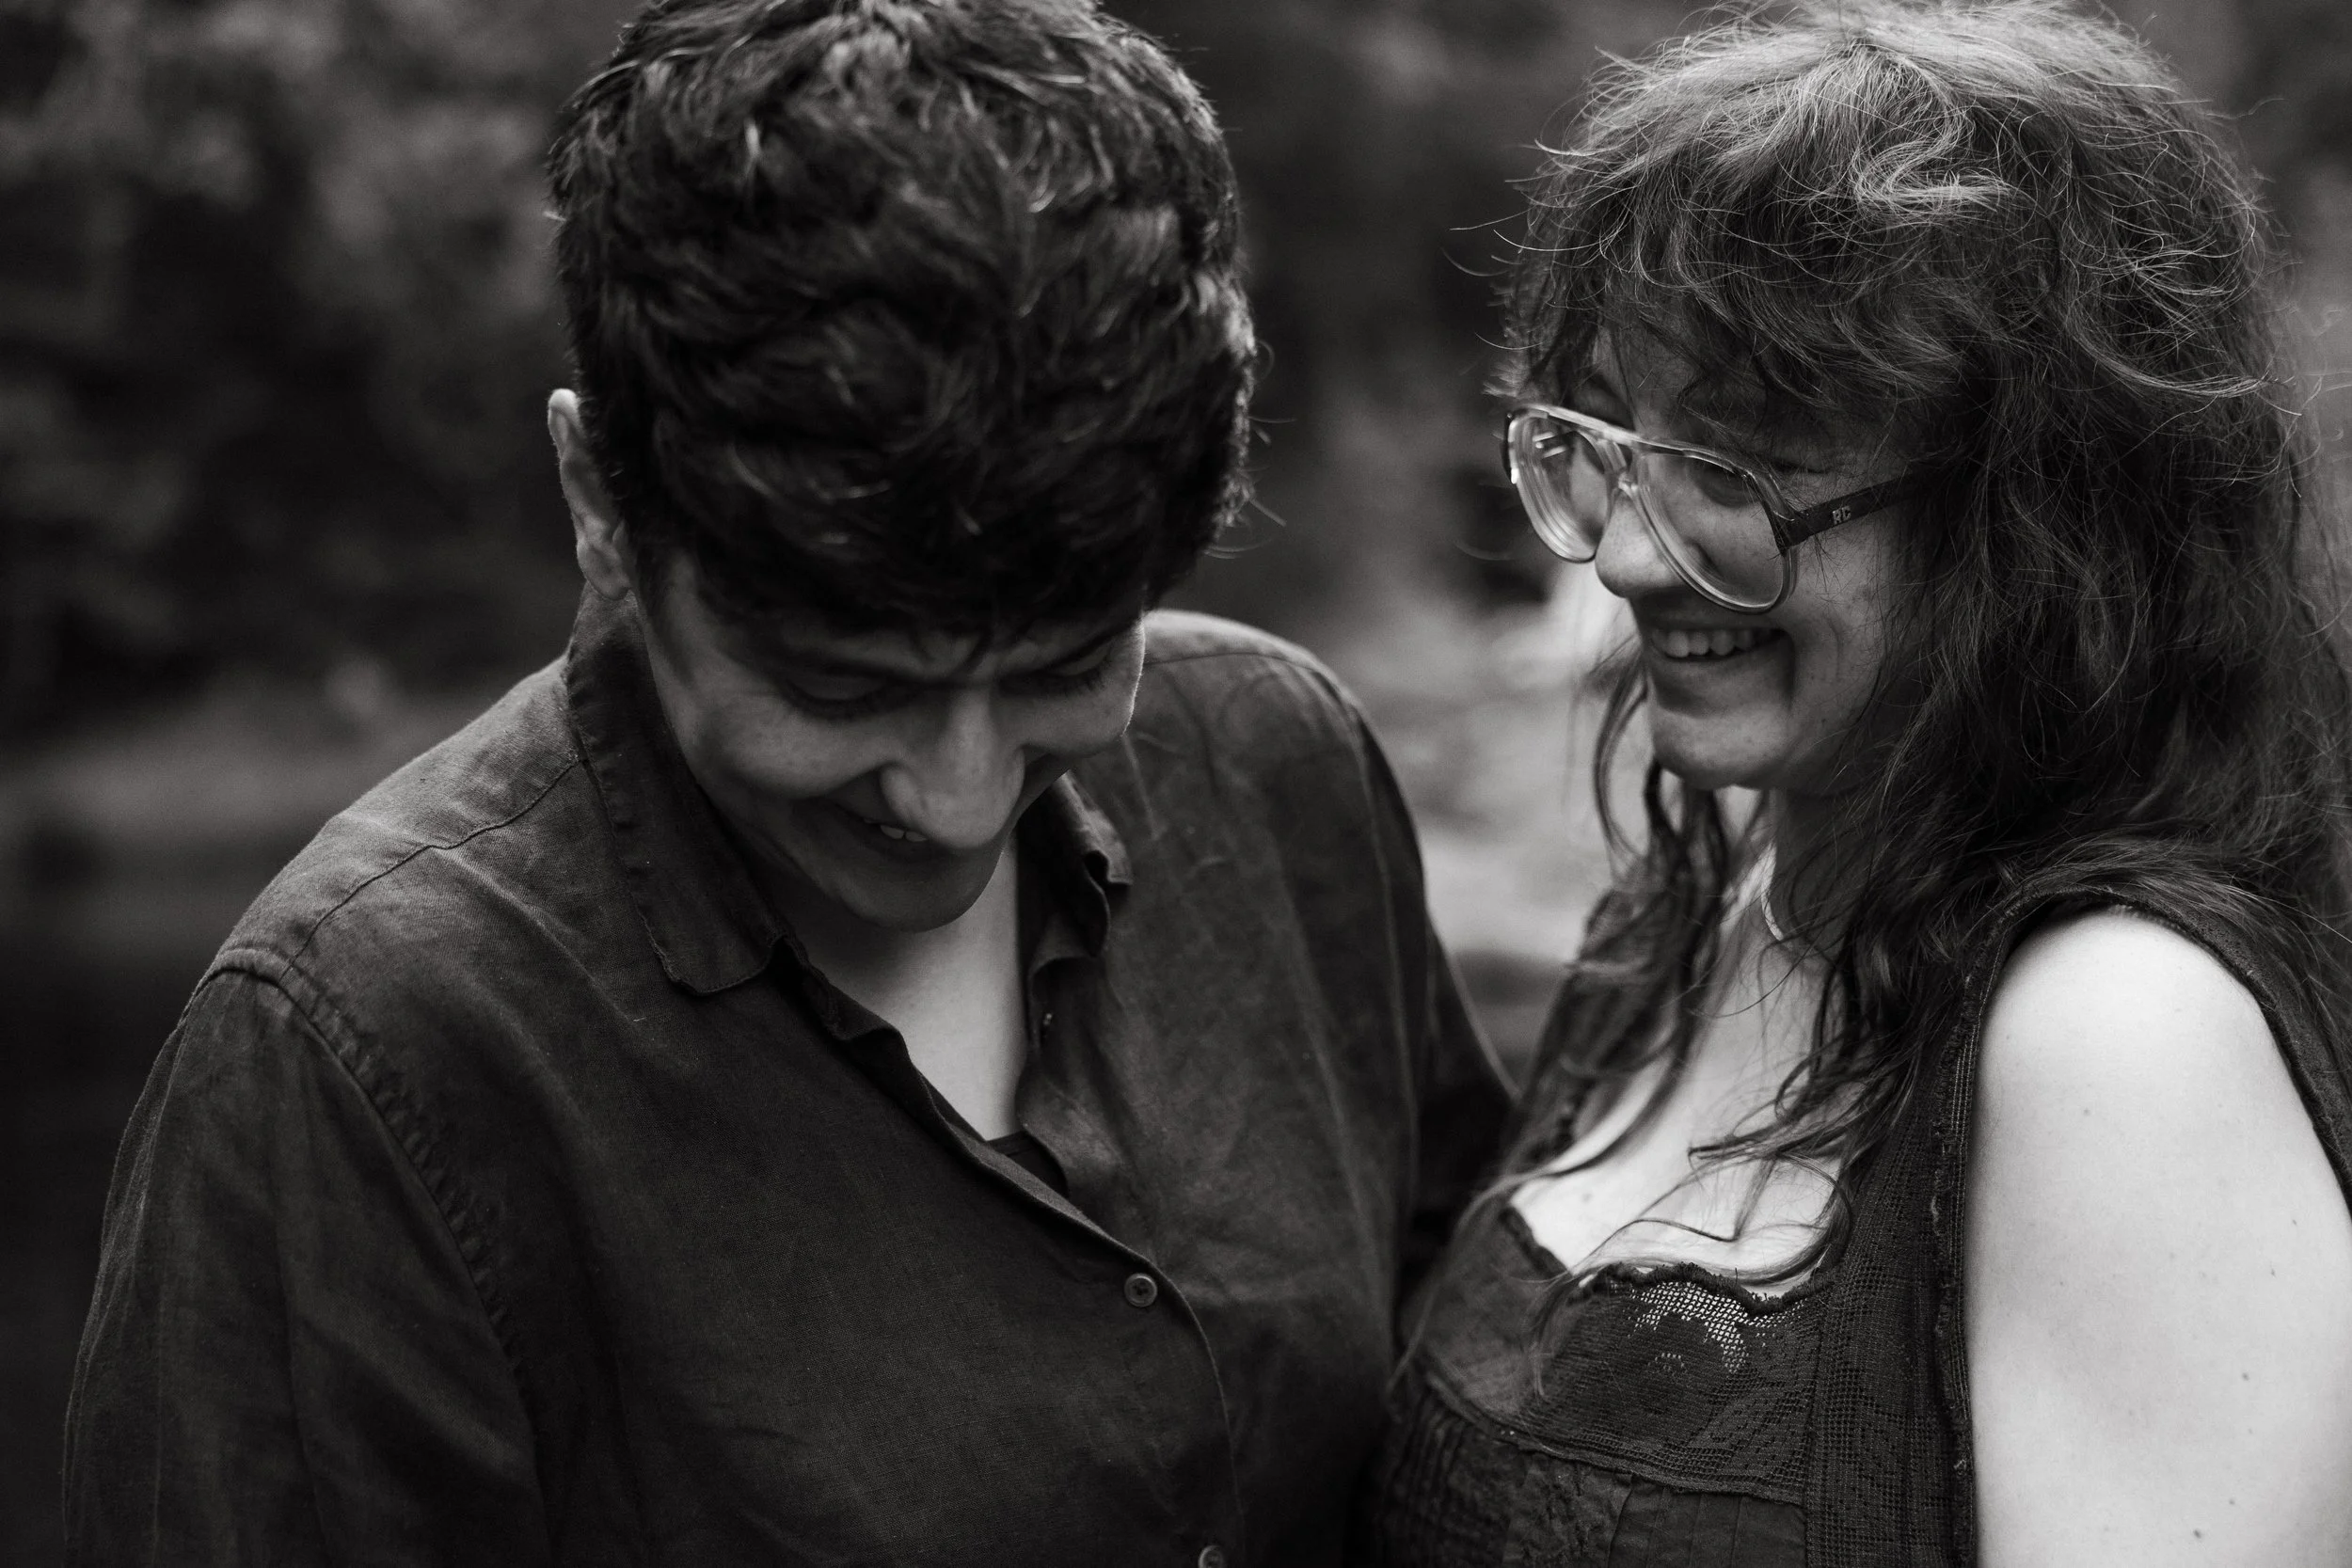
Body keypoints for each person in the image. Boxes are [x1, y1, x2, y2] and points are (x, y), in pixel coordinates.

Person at [63, 1, 1510, 1560]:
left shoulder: (1279, 768)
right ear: (601, 504)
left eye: (1065, 662)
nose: (960, 800)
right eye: (843, 687)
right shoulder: (352, 1066)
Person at [1360, 2, 2352, 1563]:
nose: (1627, 557)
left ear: (2037, 520)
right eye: (1615, 433)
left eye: (1738, 466)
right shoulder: (1688, 917)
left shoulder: (2123, 1045)